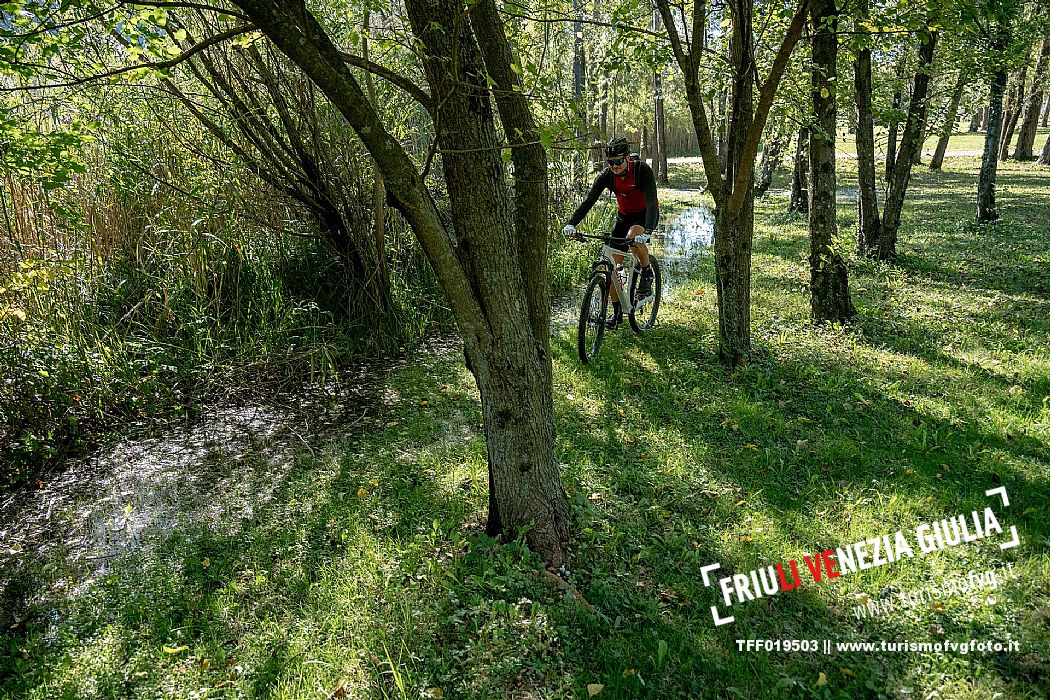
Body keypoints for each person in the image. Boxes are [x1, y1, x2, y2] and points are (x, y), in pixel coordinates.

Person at [563, 137, 658, 330]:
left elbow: (651, 201)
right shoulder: (607, 176)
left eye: (618, 161)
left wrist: (647, 231)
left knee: (633, 236)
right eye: (610, 162)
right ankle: (616, 315)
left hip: (645, 215)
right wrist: (571, 224)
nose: (614, 166)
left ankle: (647, 271)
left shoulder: (642, 171)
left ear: (627, 159)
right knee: (613, 267)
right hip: (624, 216)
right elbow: (588, 201)